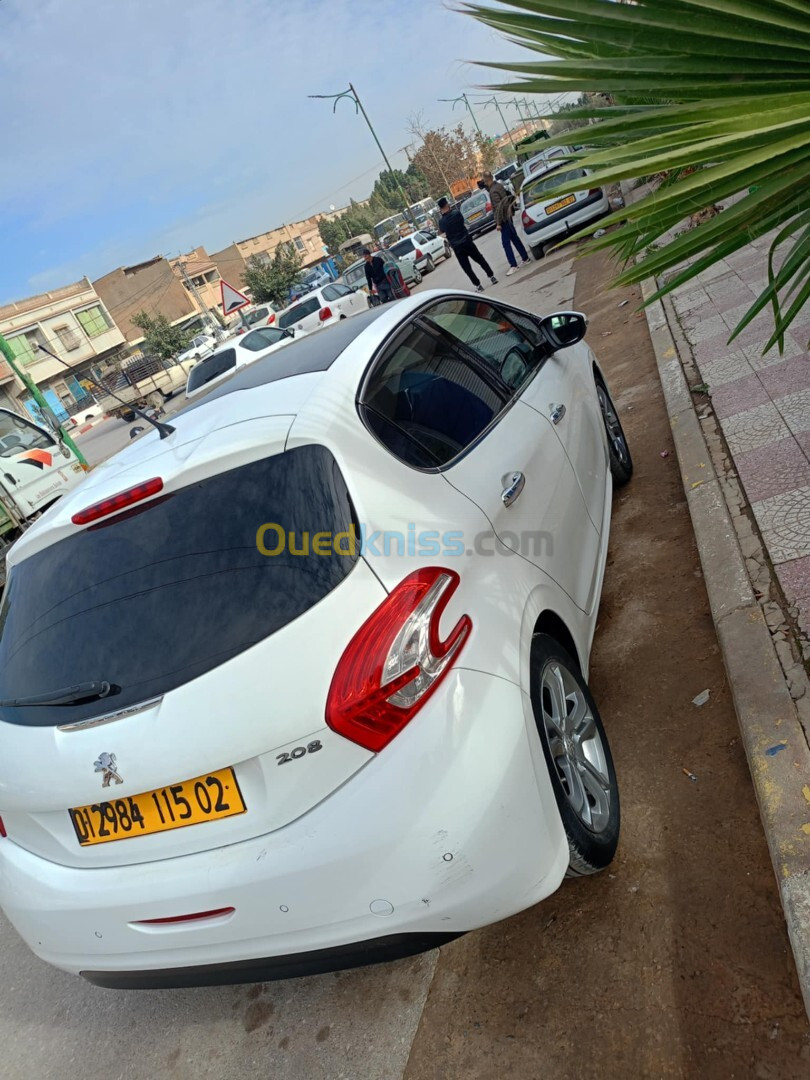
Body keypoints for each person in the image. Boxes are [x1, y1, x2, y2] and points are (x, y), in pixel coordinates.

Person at [436, 196, 497, 293]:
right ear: (447, 204)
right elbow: (462, 222)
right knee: (480, 259)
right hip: (467, 241)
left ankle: (478, 285)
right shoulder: (456, 213)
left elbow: (441, 231)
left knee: (467, 268)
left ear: (440, 209)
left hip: (457, 247)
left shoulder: (441, 221)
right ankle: (492, 276)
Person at [481, 171, 530, 276]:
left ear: (487, 180)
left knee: (506, 243)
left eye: (484, 180)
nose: (484, 183)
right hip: (508, 216)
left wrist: (498, 223)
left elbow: (498, 208)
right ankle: (525, 258)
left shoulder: (493, 191)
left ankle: (513, 265)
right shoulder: (499, 186)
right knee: (514, 238)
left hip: (503, 220)